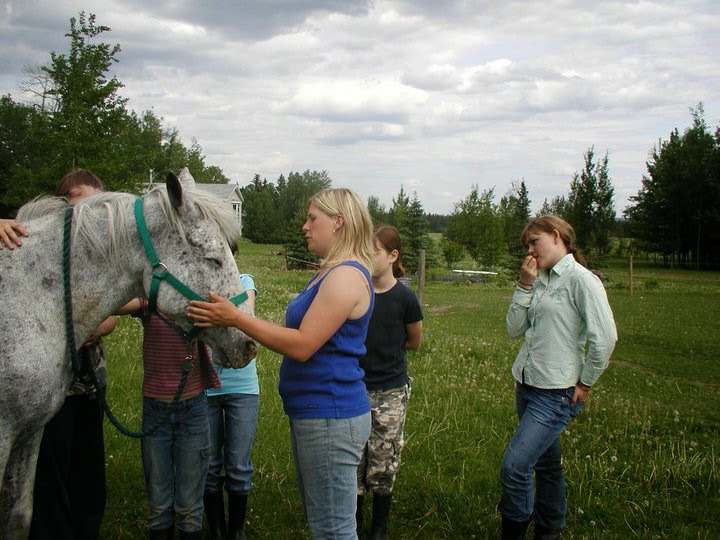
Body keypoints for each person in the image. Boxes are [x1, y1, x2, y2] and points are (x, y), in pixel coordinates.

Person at [187, 188, 375, 539]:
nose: (305, 226)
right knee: (324, 524)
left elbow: (303, 345)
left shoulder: (346, 275)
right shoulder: (329, 272)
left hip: (330, 415)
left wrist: (235, 318)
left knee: (333, 530)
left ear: (338, 222)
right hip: (317, 413)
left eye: (312, 218)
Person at [499, 215, 617, 540]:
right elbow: (514, 329)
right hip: (526, 383)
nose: (531, 251)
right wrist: (524, 284)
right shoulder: (539, 278)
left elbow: (604, 338)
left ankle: (514, 530)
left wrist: (586, 382)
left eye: (534, 243)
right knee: (547, 464)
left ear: (555, 236)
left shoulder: (582, 280)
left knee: (515, 466)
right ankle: (550, 529)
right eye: (527, 246)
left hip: (556, 392)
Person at [19, 169, 117, 540]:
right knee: (50, 471)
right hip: (51, 385)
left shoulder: (99, 258)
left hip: (90, 381)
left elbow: (110, 317)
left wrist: (95, 326)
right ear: (63, 204)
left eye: (96, 205)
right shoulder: (41, 251)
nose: (87, 212)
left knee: (87, 470)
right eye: (80, 202)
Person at [115, 297, 223, 540]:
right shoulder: (150, 301)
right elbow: (118, 304)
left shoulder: (197, 302)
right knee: (159, 503)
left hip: (192, 410)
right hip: (156, 412)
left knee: (189, 506)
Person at [355, 225, 423, 540]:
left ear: (393, 256)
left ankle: (378, 528)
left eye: (375, 252)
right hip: (354, 388)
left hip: (391, 391)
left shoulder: (405, 298)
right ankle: (352, 522)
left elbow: (414, 341)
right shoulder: (357, 293)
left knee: (383, 458)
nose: (368, 257)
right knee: (354, 457)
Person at [204, 274, 258, 540]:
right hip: (205, 387)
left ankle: (237, 529)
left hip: (243, 389)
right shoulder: (196, 284)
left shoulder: (244, 281)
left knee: (238, 463)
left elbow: (246, 315)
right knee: (210, 463)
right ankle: (216, 529)